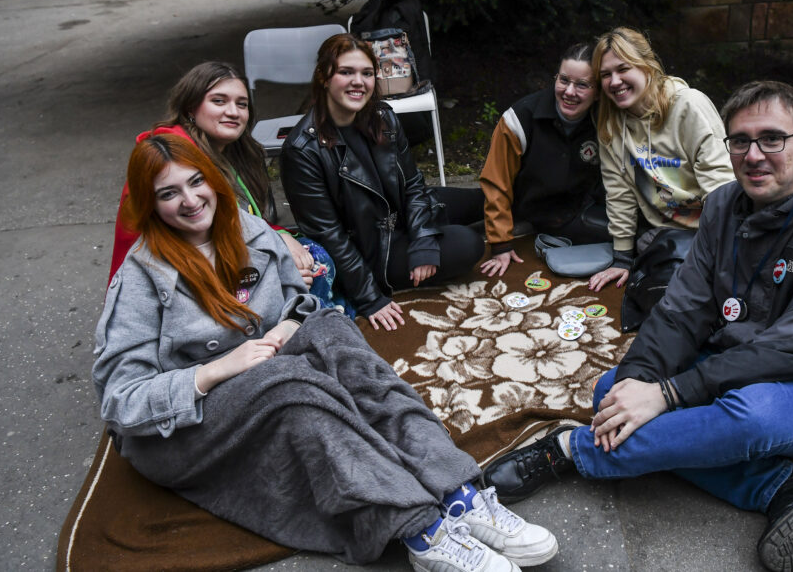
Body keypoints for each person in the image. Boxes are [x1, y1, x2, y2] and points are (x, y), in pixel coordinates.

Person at [481, 81, 793, 572]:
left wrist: (671, 395)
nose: (754, 155)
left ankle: (570, 451)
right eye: (740, 141)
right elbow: (682, 310)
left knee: (751, 415)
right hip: (731, 359)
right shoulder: (723, 204)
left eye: (772, 139)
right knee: (611, 393)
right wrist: (639, 380)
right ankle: (779, 486)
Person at [94, 134, 559, 572]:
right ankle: (422, 530)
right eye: (168, 193)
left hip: (265, 365)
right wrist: (217, 370)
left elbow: (300, 301)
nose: (191, 200)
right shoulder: (140, 279)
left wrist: (289, 328)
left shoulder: (247, 229)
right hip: (188, 425)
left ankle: (458, 491)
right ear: (150, 205)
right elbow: (120, 402)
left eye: (196, 182)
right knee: (293, 388)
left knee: (333, 331)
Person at [280, 34, 484, 331]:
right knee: (468, 243)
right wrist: (369, 297)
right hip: (373, 250)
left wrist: (423, 241)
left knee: (483, 201)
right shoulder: (302, 150)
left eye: (367, 73)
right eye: (346, 72)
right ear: (324, 77)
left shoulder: (384, 117)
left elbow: (413, 183)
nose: (358, 82)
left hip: (400, 213)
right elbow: (330, 236)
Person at [107, 62, 341, 310]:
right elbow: (187, 247)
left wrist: (280, 235)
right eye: (219, 101)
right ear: (190, 107)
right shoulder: (172, 158)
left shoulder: (226, 151)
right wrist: (277, 270)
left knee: (311, 257)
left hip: (221, 259)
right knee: (312, 268)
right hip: (174, 284)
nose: (233, 112)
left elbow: (239, 219)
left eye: (241, 104)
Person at [586, 27, 733, 294]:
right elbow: (619, 193)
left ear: (647, 65)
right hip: (664, 233)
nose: (615, 81)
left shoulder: (689, 105)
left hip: (711, 230)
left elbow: (720, 187)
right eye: (606, 75)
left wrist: (717, 252)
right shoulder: (610, 124)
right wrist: (622, 258)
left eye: (623, 69)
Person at [478, 42, 608, 277]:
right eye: (564, 80)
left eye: (582, 85)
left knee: (629, 237)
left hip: (575, 212)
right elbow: (497, 183)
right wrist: (500, 244)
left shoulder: (606, 120)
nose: (569, 92)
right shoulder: (519, 118)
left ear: (598, 91)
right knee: (456, 211)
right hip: (525, 208)